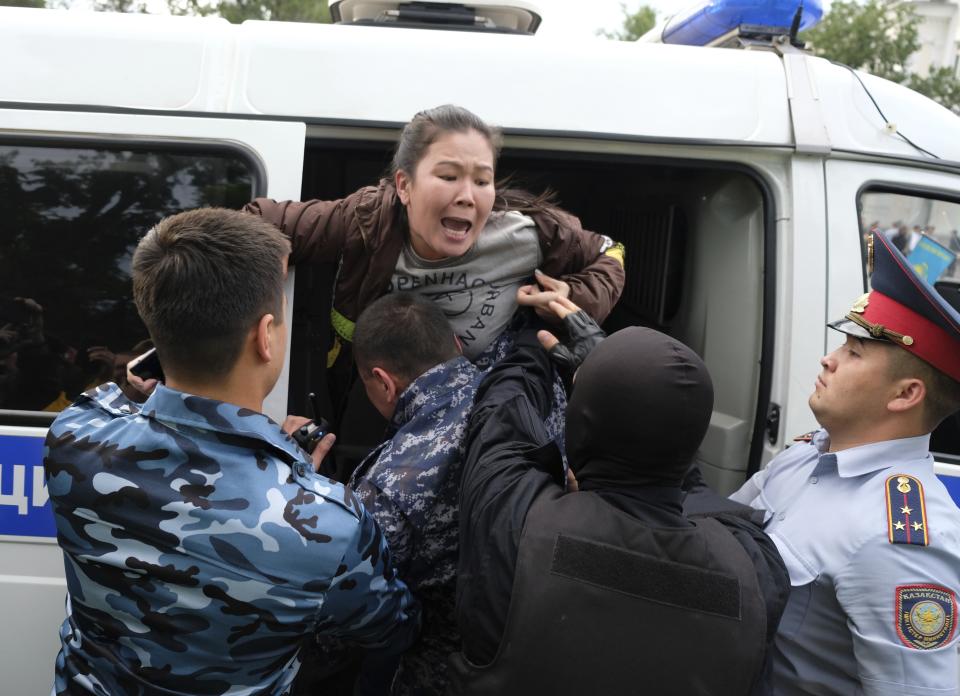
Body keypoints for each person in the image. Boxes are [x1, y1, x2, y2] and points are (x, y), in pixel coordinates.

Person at [43, 208, 419, 696]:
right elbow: (392, 629)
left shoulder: (75, 437)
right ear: (265, 337)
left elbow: (130, 393)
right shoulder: (331, 526)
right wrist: (295, 486)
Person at [451, 297, 788, 695]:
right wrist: (607, 369)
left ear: (582, 427)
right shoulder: (756, 567)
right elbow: (697, 493)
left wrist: (530, 339)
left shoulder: (515, 523)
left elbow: (500, 413)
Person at [243, 104, 625, 446]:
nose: (467, 196)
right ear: (404, 186)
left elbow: (611, 252)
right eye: (448, 176)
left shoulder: (527, 233)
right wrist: (269, 300)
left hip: (493, 426)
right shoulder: (367, 221)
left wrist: (573, 298)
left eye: (481, 180)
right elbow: (260, 221)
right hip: (388, 414)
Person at [730, 231, 960, 695]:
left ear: (905, 394)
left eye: (853, 353)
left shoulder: (901, 538)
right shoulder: (805, 456)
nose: (828, 360)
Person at [341, 293, 483, 695]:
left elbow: (351, 615)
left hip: (434, 672)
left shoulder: (387, 488)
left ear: (384, 383)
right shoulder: (527, 394)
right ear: (456, 344)